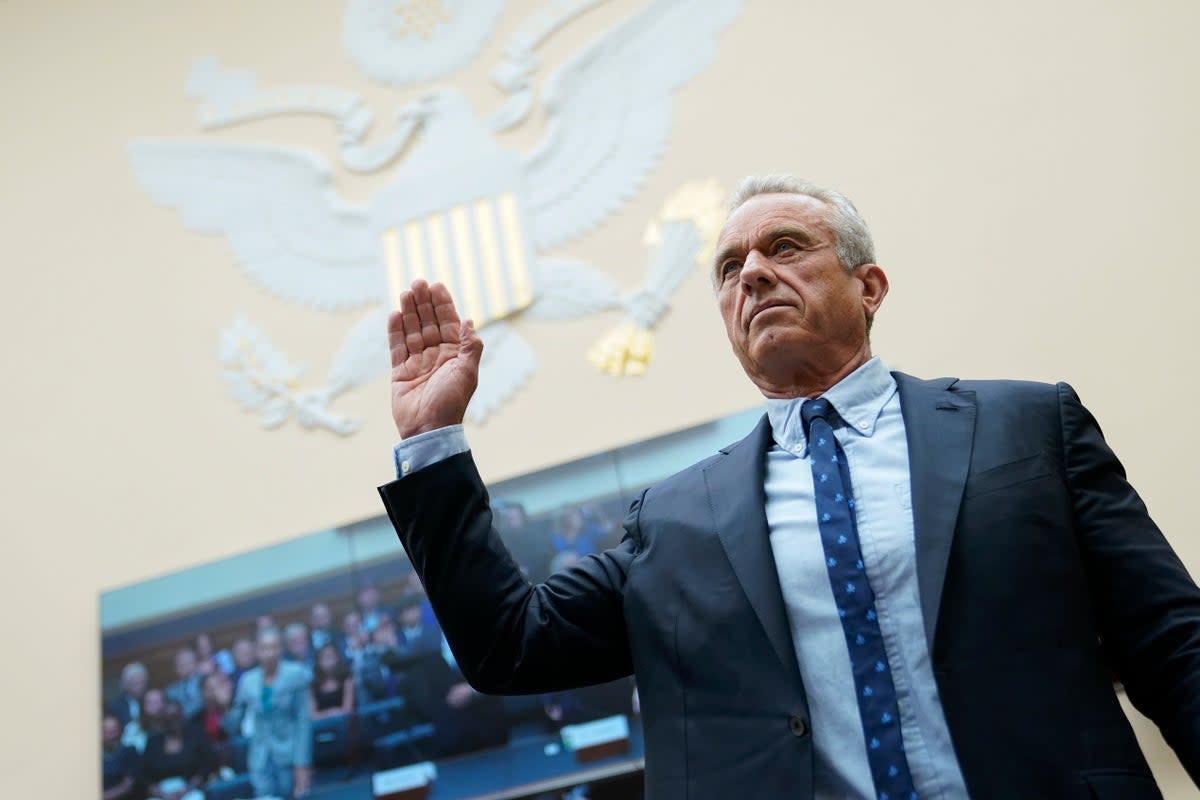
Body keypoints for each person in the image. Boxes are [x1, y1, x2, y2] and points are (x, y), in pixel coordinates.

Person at [378, 174, 1200, 800]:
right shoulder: (675, 519)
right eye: (730, 268)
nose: (754, 276)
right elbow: (508, 644)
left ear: (868, 286)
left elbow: (1171, 640)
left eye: (786, 248)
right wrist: (432, 439)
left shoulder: (1026, 427)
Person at [225, 627, 312, 798]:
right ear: (257, 651)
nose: (269, 653)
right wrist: (226, 705)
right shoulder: (247, 681)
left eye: (274, 647)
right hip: (260, 756)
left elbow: (303, 721)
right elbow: (232, 725)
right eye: (264, 648)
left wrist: (302, 763)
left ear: (281, 649)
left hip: (289, 752)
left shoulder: (295, 673)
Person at [142, 700, 214, 800]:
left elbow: (207, 765)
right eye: (169, 717)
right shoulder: (153, 741)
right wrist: (163, 795)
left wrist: (186, 789)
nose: (172, 721)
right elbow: (145, 776)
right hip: (162, 793)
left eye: (175, 716)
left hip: (190, 789)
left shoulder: (195, 734)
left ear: (182, 716)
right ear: (163, 719)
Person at [309, 643, 355, 719]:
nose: (328, 660)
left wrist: (329, 714)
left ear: (337, 658)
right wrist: (330, 713)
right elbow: (312, 715)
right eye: (324, 657)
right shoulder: (313, 685)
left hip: (345, 723)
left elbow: (348, 710)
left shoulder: (347, 680)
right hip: (322, 726)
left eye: (331, 656)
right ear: (318, 661)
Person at [101, 711, 140, 800]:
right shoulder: (91, 755)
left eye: (113, 731)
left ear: (120, 731)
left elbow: (127, 786)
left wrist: (102, 797)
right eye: (105, 731)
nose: (110, 736)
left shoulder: (130, 752)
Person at [106, 662, 148, 729]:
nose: (140, 687)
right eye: (135, 683)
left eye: (142, 682)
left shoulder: (150, 700)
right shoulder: (114, 705)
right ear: (126, 684)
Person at [165, 648, 203, 718]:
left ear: (195, 663)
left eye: (187, 662)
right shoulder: (171, 691)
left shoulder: (206, 680)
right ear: (175, 668)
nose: (184, 667)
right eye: (180, 664)